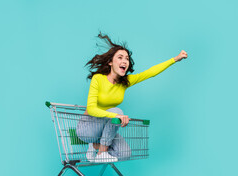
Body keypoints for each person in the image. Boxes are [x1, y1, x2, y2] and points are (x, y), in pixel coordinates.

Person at [76, 33, 187, 163]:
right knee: (117, 111)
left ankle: (96, 146)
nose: (124, 61)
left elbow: (149, 73)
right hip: (88, 127)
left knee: (125, 154)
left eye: (127, 59)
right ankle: (101, 152)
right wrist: (115, 116)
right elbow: (92, 109)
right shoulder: (98, 79)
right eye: (120, 57)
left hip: (104, 130)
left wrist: (175, 59)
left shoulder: (125, 82)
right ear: (110, 62)